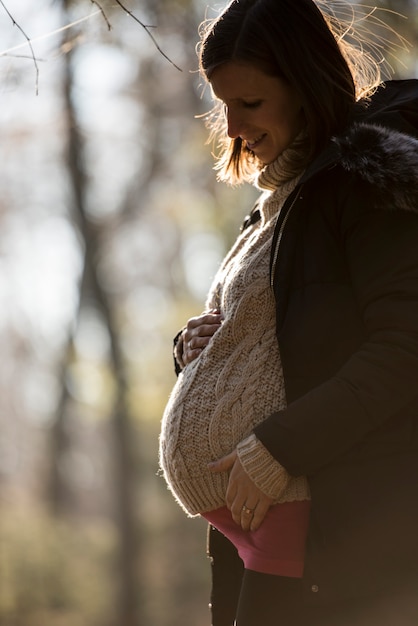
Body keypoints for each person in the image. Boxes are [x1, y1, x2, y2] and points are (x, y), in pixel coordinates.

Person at [159, 0, 418, 624]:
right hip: (279, 538)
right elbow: (291, 340)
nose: (233, 125)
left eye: (250, 104)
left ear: (304, 88)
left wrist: (276, 450)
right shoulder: (284, 197)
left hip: (354, 542)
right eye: (222, 102)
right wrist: (198, 349)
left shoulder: (366, 185)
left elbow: (405, 348)